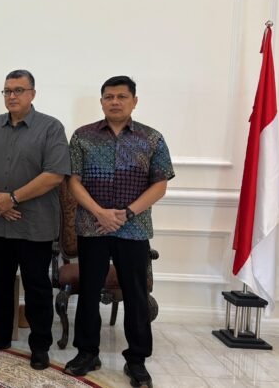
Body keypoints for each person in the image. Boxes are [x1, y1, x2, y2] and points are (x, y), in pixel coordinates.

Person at [64, 75, 174, 388]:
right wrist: (100, 212)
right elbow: (73, 181)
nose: (115, 101)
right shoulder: (83, 137)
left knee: (136, 296)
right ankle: (87, 352)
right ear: (101, 101)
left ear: (134, 101)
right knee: (88, 293)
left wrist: (126, 213)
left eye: (122, 96)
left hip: (134, 229)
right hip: (92, 226)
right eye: (109, 96)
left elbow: (160, 183)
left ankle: (137, 360)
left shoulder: (151, 139)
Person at [0, 69, 70, 370]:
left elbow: (54, 175)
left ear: (32, 94)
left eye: (18, 90)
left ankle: (40, 345)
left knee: (37, 287)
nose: (12, 96)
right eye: (7, 91)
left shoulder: (51, 128)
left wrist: (11, 198)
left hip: (35, 226)